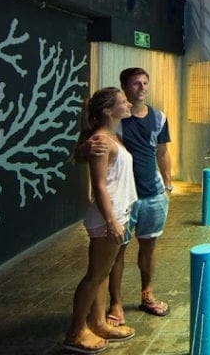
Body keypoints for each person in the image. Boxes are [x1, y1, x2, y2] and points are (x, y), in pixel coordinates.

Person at [64, 88, 138, 354]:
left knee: (102, 273)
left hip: (117, 213)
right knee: (94, 276)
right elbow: (99, 186)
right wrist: (111, 221)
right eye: (122, 102)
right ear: (108, 110)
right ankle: (75, 332)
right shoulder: (101, 140)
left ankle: (97, 323)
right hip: (109, 216)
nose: (128, 103)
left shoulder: (110, 136)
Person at [103, 67, 173, 324]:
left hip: (153, 195)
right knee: (117, 252)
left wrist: (167, 185)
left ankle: (147, 295)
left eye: (145, 82)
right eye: (136, 84)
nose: (142, 87)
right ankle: (116, 305)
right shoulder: (116, 120)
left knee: (149, 247)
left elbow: (162, 152)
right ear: (125, 87)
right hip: (124, 197)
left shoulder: (159, 117)